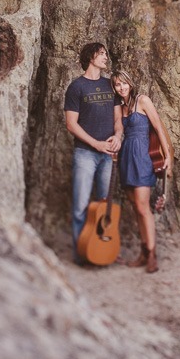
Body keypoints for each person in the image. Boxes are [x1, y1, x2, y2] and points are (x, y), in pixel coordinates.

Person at [64, 43, 123, 264]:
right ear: (90, 57)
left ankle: (102, 250)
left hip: (109, 155)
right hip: (85, 154)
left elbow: (118, 119)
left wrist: (118, 136)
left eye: (106, 53)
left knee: (105, 203)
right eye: (101, 54)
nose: (106, 57)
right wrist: (95, 144)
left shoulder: (110, 85)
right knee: (80, 206)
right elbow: (71, 124)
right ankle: (82, 253)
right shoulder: (76, 87)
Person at [111, 69, 172, 273]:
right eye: (117, 85)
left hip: (144, 159)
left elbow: (158, 129)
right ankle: (143, 253)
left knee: (143, 206)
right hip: (126, 159)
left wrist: (168, 156)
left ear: (130, 82)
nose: (122, 87)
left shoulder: (143, 101)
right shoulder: (119, 109)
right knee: (136, 208)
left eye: (124, 83)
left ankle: (152, 254)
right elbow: (119, 133)